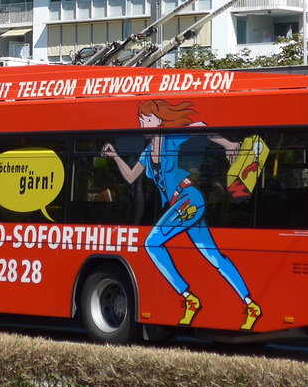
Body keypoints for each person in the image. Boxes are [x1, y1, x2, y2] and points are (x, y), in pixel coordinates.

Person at [100, 99, 261, 330]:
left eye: (145, 119)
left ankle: (189, 298)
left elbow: (201, 126)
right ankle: (251, 304)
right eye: (140, 119)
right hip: (185, 205)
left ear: (157, 120)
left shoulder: (171, 138)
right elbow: (131, 177)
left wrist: (225, 142)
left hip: (188, 198)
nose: (141, 123)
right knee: (214, 257)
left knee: (152, 243)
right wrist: (115, 156)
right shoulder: (147, 153)